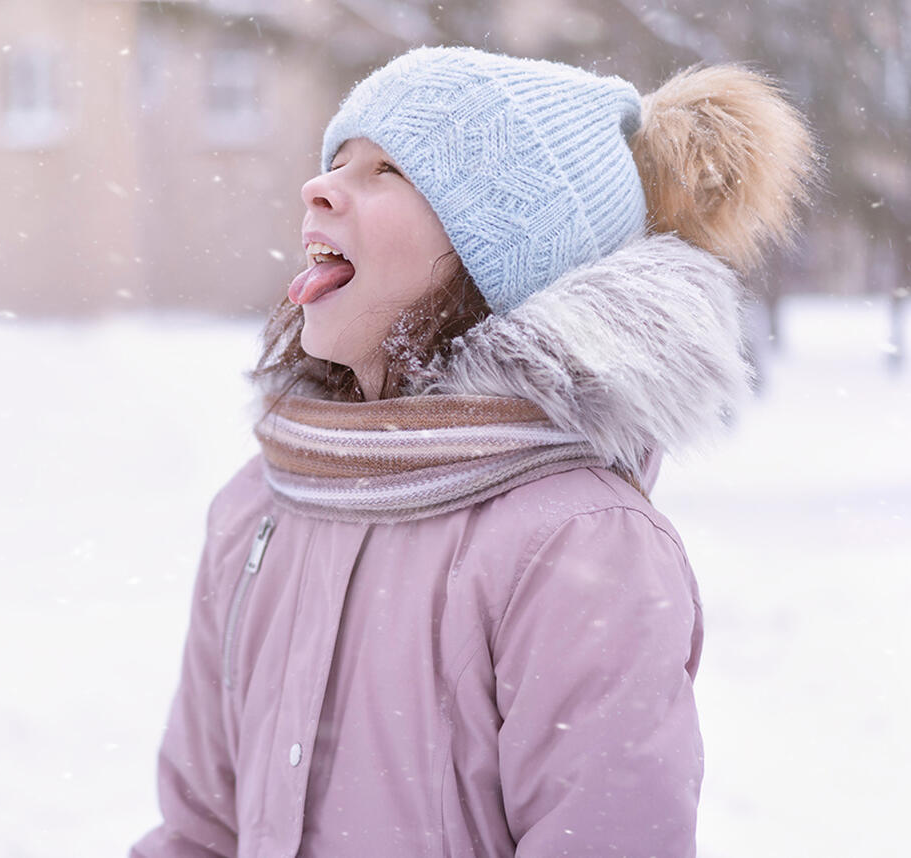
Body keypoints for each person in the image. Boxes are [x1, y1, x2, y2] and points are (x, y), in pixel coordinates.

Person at [130, 46, 815, 857]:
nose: (320, 188)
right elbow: (201, 830)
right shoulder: (263, 504)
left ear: (503, 256)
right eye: (336, 160)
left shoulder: (577, 543)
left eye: (388, 170)